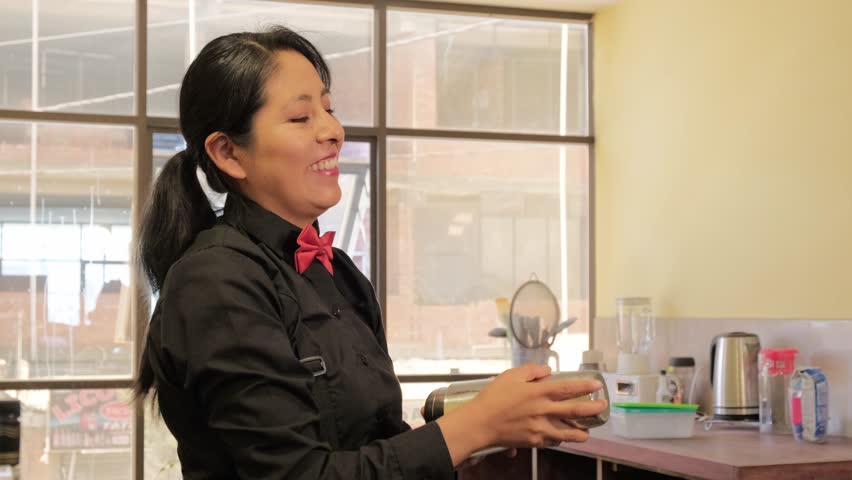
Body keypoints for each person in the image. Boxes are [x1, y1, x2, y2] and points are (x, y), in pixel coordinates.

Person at [133, 26, 607, 480]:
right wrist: (477, 424)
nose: (334, 131)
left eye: (328, 109)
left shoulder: (337, 273)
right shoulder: (215, 281)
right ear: (228, 153)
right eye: (301, 118)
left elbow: (374, 443)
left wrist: (491, 429)